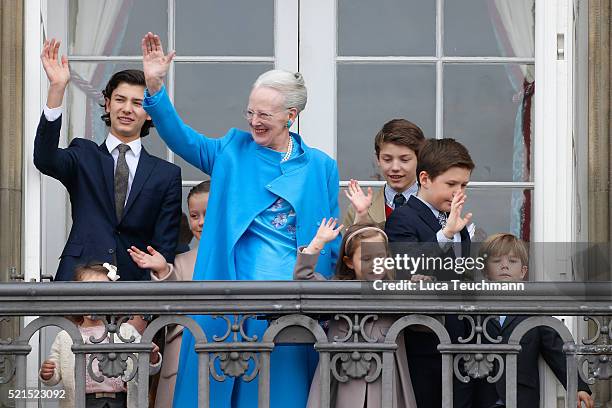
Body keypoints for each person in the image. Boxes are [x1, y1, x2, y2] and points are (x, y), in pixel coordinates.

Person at [141, 33, 341, 407]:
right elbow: (183, 140)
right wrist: (155, 87)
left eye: (264, 115)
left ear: (290, 116)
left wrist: (326, 300)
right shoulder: (232, 150)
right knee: (217, 391)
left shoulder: (320, 166)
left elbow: (331, 237)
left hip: (292, 303)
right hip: (229, 294)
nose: (254, 121)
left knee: (283, 396)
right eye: (250, 112)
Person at [33, 39, 182, 281]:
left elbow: (163, 248)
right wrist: (57, 88)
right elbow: (45, 159)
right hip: (79, 283)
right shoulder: (84, 154)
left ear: (149, 114)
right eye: (120, 99)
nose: (127, 109)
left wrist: (143, 315)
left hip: (133, 290)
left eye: (137, 103)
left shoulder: (166, 175)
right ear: (107, 102)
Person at [452, 233, 594, 408]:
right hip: (481, 397)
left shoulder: (534, 308)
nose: (505, 266)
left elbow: (557, 349)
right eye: (497, 261)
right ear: (484, 269)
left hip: (521, 398)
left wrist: (578, 387)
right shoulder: (472, 308)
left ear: (523, 272)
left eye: (512, 261)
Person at [384, 138, 475, 408]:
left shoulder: (455, 221)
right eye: (451, 184)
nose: (459, 192)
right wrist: (446, 234)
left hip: (463, 342)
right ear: (425, 178)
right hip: (424, 344)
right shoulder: (402, 218)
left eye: (464, 186)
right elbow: (408, 270)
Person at [294, 219, 418, 408]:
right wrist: (318, 242)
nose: (376, 264)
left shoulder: (397, 290)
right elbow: (304, 280)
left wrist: (421, 286)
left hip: (387, 380)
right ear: (349, 262)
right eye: (366, 259)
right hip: (343, 378)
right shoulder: (338, 290)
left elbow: (423, 320)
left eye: (381, 257)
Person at [127, 181, 210, 408]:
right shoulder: (181, 262)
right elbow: (171, 301)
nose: (201, 222)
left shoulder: (242, 258)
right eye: (194, 216)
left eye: (208, 213)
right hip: (182, 358)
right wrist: (163, 270)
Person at [39, 263, 162, 408]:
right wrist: (47, 374)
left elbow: (145, 369)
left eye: (101, 292)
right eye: (87, 292)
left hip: (121, 401)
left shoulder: (126, 332)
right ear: (75, 298)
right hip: (82, 402)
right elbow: (55, 377)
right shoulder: (66, 336)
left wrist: (152, 358)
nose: (93, 298)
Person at [343, 119, 425, 228]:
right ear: (378, 158)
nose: (395, 168)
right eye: (387, 159)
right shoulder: (356, 210)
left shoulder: (437, 206)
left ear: (419, 159)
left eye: (404, 160)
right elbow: (350, 245)